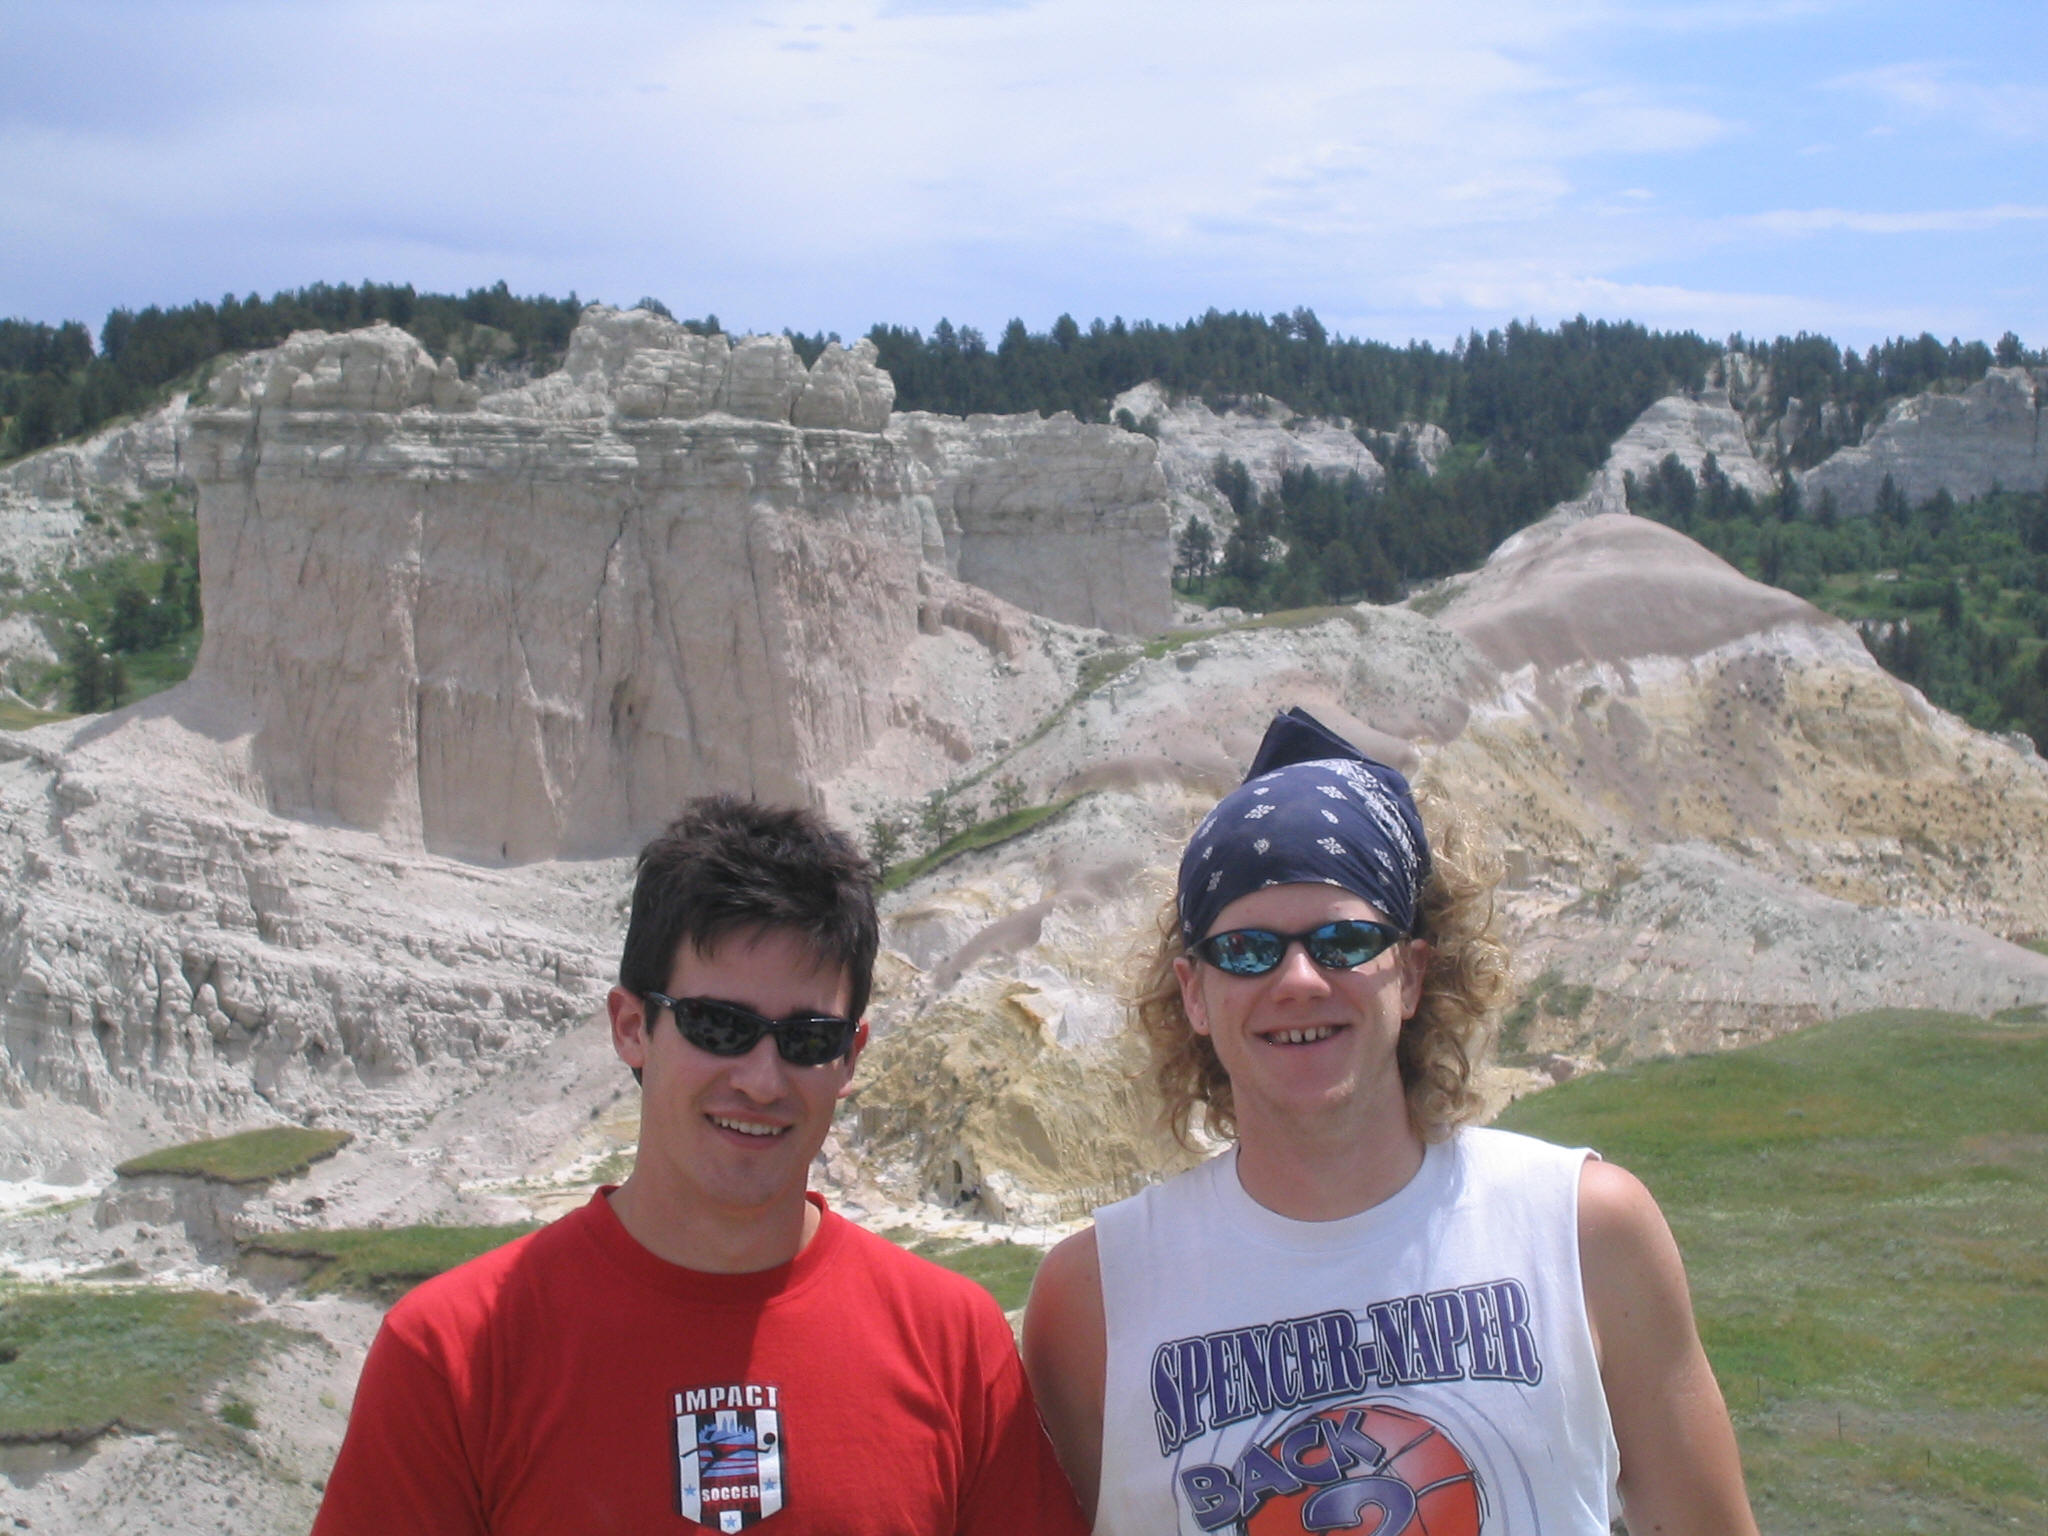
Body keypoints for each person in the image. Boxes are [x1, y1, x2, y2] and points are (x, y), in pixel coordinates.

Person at [1023, 708, 1758, 1536]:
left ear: (1411, 976)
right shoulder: (1093, 1300)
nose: (1298, 980)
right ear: (1194, 991)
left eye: (1343, 940)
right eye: (1247, 950)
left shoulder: (1585, 1230)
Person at [313, 795, 1087, 1536]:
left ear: (850, 1058)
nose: (761, 1079)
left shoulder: (953, 1344)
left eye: (809, 1039)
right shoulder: (452, 1357)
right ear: (631, 1028)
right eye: (718, 1026)